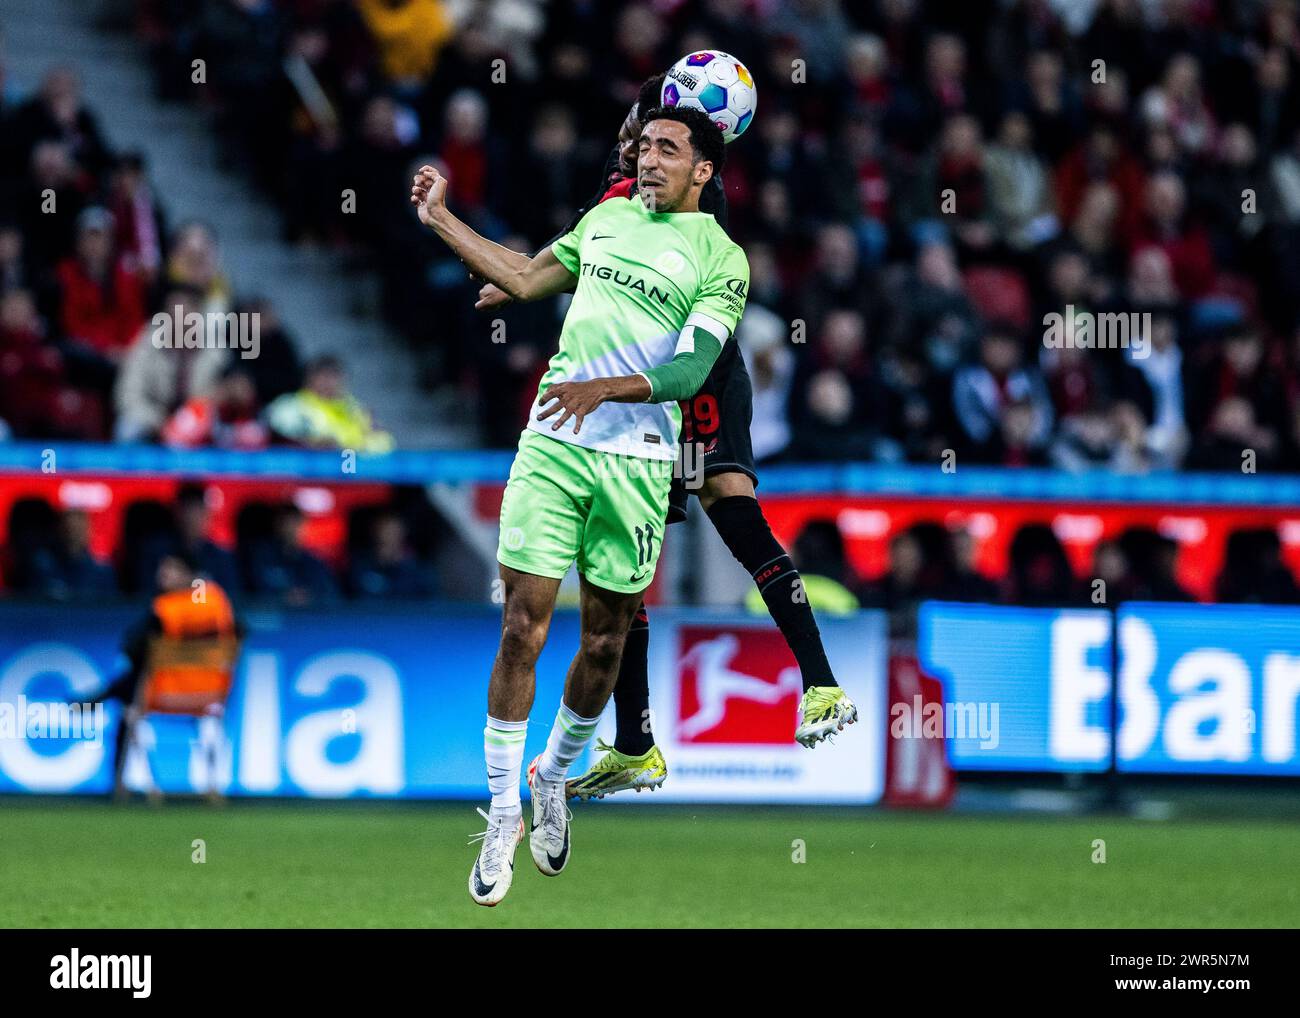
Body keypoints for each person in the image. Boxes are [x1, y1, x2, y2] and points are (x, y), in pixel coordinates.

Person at [477, 75, 857, 808]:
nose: (642, 145)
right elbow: (598, 269)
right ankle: (635, 743)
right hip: (636, 391)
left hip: (694, 367)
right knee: (619, 563)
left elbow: (665, 275)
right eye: (638, 134)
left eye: (657, 135)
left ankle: (819, 683)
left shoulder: (691, 208)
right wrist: (530, 279)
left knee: (733, 511)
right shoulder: (625, 197)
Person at [411, 104, 747, 906]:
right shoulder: (607, 215)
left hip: (637, 461)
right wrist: (440, 219)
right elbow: (525, 275)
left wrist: (610, 387)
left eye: (668, 149)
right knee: (522, 624)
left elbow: (694, 370)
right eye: (644, 146)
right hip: (556, 438)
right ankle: (500, 813)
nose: (649, 158)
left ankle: (552, 775)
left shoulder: (721, 258)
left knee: (605, 644)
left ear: (703, 170)